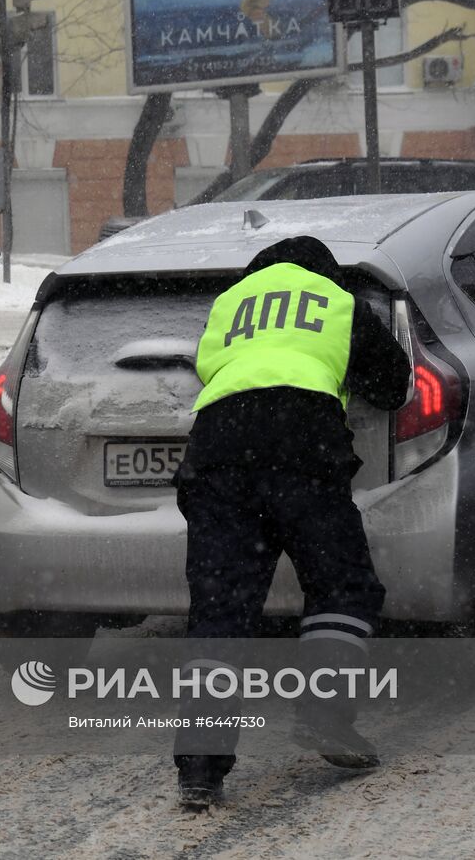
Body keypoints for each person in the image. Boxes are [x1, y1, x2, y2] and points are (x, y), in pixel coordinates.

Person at [171, 235, 411, 810]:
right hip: (302, 447)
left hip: (217, 453)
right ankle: (325, 716)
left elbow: (214, 371)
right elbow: (392, 386)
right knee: (341, 586)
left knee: (221, 609)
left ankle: (200, 769)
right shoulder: (338, 300)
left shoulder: (229, 303)